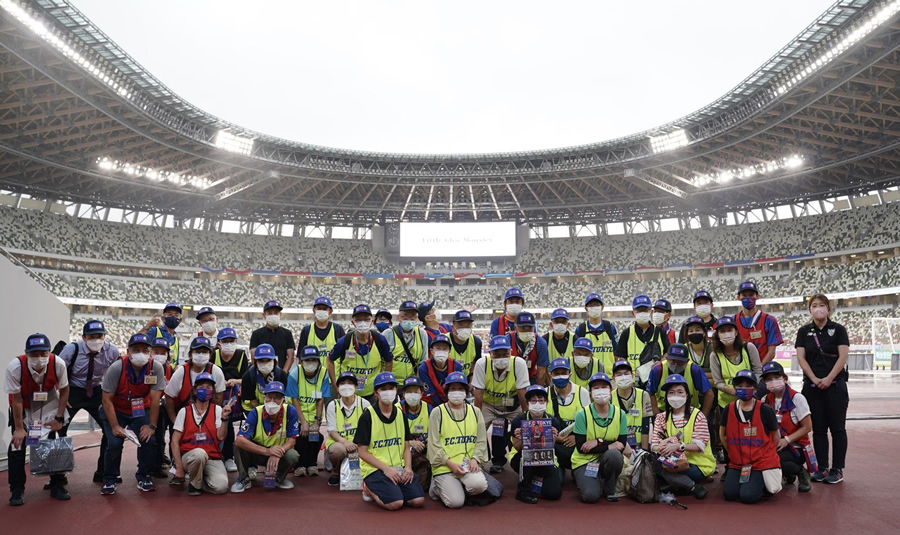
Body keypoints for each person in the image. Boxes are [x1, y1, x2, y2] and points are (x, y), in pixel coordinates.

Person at [6, 334, 71, 505]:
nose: (39, 358)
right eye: (34, 354)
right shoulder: (15, 367)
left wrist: (58, 418)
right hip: (25, 408)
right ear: (26, 354)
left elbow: (64, 391)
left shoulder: (58, 364)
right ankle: (17, 489)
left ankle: (57, 484)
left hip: (49, 404)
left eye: (43, 354)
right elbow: (17, 400)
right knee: (16, 447)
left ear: (49, 352)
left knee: (55, 444)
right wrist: (19, 428)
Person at [99, 333, 167, 495]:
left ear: (150, 352)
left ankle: (144, 475)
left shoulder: (155, 367)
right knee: (114, 443)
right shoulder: (117, 367)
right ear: (128, 351)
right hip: (116, 410)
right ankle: (110, 478)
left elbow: (155, 398)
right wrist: (115, 426)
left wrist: (151, 426)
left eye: (145, 350)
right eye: (136, 350)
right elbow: (106, 399)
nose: (140, 353)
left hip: (140, 410)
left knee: (149, 440)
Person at [795, 293, 850, 484]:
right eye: (814, 305)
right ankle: (822, 468)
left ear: (828, 308)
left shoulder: (838, 329)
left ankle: (837, 469)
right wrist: (814, 378)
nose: (818, 308)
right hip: (812, 386)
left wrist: (829, 378)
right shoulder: (803, 331)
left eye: (822, 305)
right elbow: (801, 358)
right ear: (809, 309)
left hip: (835, 386)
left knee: (837, 429)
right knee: (818, 429)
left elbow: (843, 357)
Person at [57, 319, 119, 483]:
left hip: (97, 391)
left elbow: (117, 373)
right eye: (92, 336)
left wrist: (111, 397)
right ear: (84, 337)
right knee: (59, 430)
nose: (96, 340)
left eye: (100, 336)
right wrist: (61, 398)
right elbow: (57, 373)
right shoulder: (71, 349)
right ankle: (58, 475)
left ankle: (104, 471)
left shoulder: (111, 351)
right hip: (72, 390)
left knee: (110, 428)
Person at [355, 372, 425, 510]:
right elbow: (362, 452)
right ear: (376, 393)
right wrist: (386, 469)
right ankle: (368, 487)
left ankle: (394, 488)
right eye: (383, 389)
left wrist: (408, 467)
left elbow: (406, 447)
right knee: (395, 503)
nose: (388, 392)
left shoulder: (400, 414)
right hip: (375, 468)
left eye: (391, 388)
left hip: (398, 467)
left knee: (418, 500)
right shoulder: (367, 416)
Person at [427, 372, 492, 509]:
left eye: (460, 389)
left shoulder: (475, 412)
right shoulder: (437, 412)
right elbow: (433, 444)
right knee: (456, 503)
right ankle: (437, 486)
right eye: (453, 389)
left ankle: (458, 485)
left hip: (467, 464)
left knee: (479, 486)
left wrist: (475, 459)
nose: (457, 392)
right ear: (447, 391)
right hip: (445, 465)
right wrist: (449, 463)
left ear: (466, 391)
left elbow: (481, 440)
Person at [720, 370, 781, 504]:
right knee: (729, 494)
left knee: (748, 497)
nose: (744, 389)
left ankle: (764, 483)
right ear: (735, 388)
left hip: (760, 462)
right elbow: (722, 434)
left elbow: (776, 436)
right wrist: (732, 452)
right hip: (737, 463)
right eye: (740, 386)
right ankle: (750, 482)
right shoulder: (728, 409)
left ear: (755, 388)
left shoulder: (765, 409)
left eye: (748, 386)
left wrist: (766, 452)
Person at [471, 335, 529, 474]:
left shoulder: (518, 363)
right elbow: (478, 394)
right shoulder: (482, 364)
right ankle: (480, 459)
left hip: (513, 406)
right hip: (488, 405)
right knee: (476, 429)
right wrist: (476, 418)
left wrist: (526, 417)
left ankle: (525, 458)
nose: (501, 357)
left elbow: (522, 393)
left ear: (511, 352)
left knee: (525, 428)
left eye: (505, 354)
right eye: (497, 354)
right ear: (490, 353)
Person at [651, 374, 715, 499]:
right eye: (671, 392)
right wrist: (660, 447)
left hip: (696, 466)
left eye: (680, 392)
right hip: (671, 462)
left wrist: (678, 446)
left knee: (664, 471)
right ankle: (691, 486)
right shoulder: (661, 417)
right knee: (652, 462)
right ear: (666, 396)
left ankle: (679, 484)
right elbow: (654, 445)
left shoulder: (698, 415)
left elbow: (699, 446)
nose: (675, 396)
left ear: (687, 395)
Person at [231, 381, 300, 492]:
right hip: (258, 453)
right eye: (269, 397)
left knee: (293, 455)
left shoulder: (290, 411)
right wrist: (267, 451)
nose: (272, 401)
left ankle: (279, 478)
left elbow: (292, 441)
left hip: (278, 453)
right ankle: (243, 478)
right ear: (264, 397)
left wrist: (278, 452)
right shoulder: (255, 413)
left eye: (277, 397)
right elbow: (239, 440)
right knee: (238, 446)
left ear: (283, 400)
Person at [570, 373, 628, 504]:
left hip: (607, 458)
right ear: (590, 392)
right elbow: (581, 448)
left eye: (604, 387)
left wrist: (598, 442)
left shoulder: (620, 414)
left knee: (614, 455)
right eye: (596, 388)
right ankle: (583, 477)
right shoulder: (582, 414)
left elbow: (621, 444)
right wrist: (607, 444)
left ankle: (609, 487)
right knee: (590, 497)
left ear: (611, 390)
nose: (600, 391)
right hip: (584, 461)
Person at [171, 372, 231, 495]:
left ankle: (199, 479)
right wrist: (179, 468)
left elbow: (221, 437)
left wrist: (224, 419)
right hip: (190, 456)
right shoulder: (184, 412)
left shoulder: (217, 410)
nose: (205, 390)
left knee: (221, 487)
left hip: (212, 457)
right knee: (199, 454)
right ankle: (194, 485)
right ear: (194, 390)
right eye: (201, 387)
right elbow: (174, 442)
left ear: (213, 390)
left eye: (209, 387)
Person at [760, 362, 813, 492]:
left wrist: (787, 440)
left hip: (795, 446)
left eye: (777, 377)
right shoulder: (764, 400)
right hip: (775, 444)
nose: (773, 382)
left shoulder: (797, 398)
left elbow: (807, 427)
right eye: (769, 379)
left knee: (776, 460)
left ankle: (801, 471)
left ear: (785, 378)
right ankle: (786, 473)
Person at [327, 304, 393, 402]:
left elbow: (389, 360)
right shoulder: (345, 341)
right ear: (353, 322)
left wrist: (383, 384)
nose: (363, 323)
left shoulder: (380, 340)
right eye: (358, 319)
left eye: (366, 319)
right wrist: (335, 384)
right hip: (349, 394)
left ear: (371, 321)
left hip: (372, 395)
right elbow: (329, 359)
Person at [510, 385, 564, 504]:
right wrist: (523, 438)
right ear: (528, 403)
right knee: (529, 454)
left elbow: (551, 448)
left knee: (554, 493)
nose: (537, 403)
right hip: (521, 457)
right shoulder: (519, 420)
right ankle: (522, 490)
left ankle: (535, 479)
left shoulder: (553, 421)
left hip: (545, 458)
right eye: (533, 400)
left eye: (541, 400)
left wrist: (553, 438)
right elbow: (516, 447)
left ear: (546, 402)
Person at [680, 315, 720, 461]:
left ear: (704, 332)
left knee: (709, 423)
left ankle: (712, 454)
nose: (693, 332)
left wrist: (696, 373)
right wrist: (707, 375)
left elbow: (718, 376)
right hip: (689, 395)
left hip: (711, 394)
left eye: (697, 329)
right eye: (690, 330)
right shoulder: (683, 349)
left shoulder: (713, 347)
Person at [287, 345, 331, 477]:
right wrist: (303, 422)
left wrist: (317, 421)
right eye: (307, 360)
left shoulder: (323, 373)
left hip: (313, 415)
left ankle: (312, 464)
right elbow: (294, 400)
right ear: (301, 361)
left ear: (318, 361)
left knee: (316, 437)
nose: (310, 363)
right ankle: (299, 465)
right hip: (296, 415)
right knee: (300, 436)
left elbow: (320, 399)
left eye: (314, 360)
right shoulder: (295, 373)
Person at [165, 337, 226, 427]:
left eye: (204, 352)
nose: (201, 355)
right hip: (183, 418)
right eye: (197, 351)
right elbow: (169, 397)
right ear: (190, 355)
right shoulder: (181, 372)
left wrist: (213, 420)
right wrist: (175, 421)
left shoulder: (216, 371)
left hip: (207, 418)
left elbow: (218, 397)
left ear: (210, 355)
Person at [325, 372, 371, 487]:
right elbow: (332, 431)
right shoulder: (332, 405)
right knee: (337, 451)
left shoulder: (364, 404)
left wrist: (357, 444)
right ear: (338, 387)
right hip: (340, 442)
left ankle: (365, 473)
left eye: (350, 383)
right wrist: (345, 442)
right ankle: (335, 473)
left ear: (356, 387)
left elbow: (370, 429)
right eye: (342, 383)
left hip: (359, 443)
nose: (346, 386)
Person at [545, 358, 590, 475]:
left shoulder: (582, 392)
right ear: (550, 375)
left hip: (577, 444)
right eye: (556, 373)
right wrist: (555, 438)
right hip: (554, 445)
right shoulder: (545, 394)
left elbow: (589, 421)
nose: (560, 376)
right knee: (556, 483)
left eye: (564, 373)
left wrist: (577, 438)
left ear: (570, 373)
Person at [614, 294, 670, 383]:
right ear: (633, 313)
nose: (642, 313)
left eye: (645, 310)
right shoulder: (627, 333)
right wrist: (627, 377)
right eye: (639, 310)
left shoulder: (660, 331)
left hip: (657, 380)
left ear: (651, 312)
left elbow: (668, 352)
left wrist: (661, 363)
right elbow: (621, 357)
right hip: (633, 382)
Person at [712, 316, 763, 415]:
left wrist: (750, 390)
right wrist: (734, 392)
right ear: (717, 335)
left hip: (750, 400)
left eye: (730, 330)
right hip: (726, 404)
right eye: (722, 331)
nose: (726, 334)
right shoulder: (715, 355)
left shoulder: (748, 348)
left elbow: (758, 371)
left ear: (736, 332)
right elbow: (718, 382)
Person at [646, 343, 714, 416]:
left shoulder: (694, 370)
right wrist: (657, 416)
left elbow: (709, 394)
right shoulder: (657, 370)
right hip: (664, 411)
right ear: (667, 358)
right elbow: (650, 394)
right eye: (672, 361)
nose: (675, 365)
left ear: (687, 361)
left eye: (680, 362)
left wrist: (702, 417)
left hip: (690, 412)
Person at [214, 327, 246, 472]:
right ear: (219, 343)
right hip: (215, 395)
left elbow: (246, 379)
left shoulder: (241, 355)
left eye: (231, 341)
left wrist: (235, 381)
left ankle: (229, 457)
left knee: (229, 425)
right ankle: (215, 455)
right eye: (225, 341)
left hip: (233, 397)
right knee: (216, 424)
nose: (228, 344)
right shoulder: (213, 355)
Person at [733, 281, 783, 365]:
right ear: (738, 297)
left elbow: (771, 352)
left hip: (762, 370)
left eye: (751, 295)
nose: (748, 298)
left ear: (757, 296)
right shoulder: (733, 321)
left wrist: (759, 370)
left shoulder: (769, 320)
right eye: (744, 295)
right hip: (740, 370)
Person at [610, 360, 652, 451]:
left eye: (626, 373)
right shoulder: (610, 397)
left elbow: (645, 425)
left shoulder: (643, 395)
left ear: (632, 375)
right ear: (613, 378)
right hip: (618, 446)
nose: (623, 377)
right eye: (619, 374)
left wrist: (644, 452)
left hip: (639, 445)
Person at [385, 300, 429, 383]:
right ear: (398, 318)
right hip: (392, 383)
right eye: (405, 316)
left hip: (412, 383)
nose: (409, 320)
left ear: (416, 319)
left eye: (412, 317)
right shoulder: (388, 334)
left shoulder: (422, 334)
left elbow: (423, 361)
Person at [400, 376, 431, 490]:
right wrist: (411, 443)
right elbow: (393, 434)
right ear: (403, 394)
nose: (412, 394)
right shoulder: (397, 408)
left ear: (421, 393)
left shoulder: (429, 408)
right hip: (403, 446)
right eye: (409, 392)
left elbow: (434, 431)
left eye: (415, 391)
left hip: (424, 447)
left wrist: (428, 441)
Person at [574, 293, 619, 372]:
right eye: (591, 305)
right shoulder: (581, 330)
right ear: (586, 309)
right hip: (588, 377)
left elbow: (617, 353)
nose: (594, 307)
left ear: (602, 307)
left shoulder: (610, 328)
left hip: (609, 377)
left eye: (596, 304)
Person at [240, 343, 290, 412]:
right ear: (255, 361)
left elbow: (281, 399)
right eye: (261, 361)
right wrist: (263, 414)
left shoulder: (281, 375)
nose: (265, 363)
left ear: (274, 360)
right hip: (253, 408)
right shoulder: (248, 376)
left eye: (268, 360)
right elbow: (253, 402)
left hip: (276, 407)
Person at [249, 300, 296, 372]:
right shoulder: (256, 334)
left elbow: (291, 357)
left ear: (280, 314)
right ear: (264, 315)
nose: (273, 315)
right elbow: (254, 357)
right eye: (269, 313)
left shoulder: (287, 333)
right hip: (262, 373)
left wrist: (283, 373)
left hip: (282, 373)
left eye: (276, 313)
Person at [298, 296, 346, 366]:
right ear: (314, 310)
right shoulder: (306, 331)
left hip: (333, 376)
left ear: (330, 311)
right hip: (313, 375)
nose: (322, 311)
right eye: (319, 308)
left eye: (324, 309)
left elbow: (344, 356)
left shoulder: (338, 330)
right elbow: (300, 357)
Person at [418, 334, 463, 406]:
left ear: (449, 351)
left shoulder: (456, 366)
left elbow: (458, 387)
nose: (441, 351)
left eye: (445, 349)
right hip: (431, 402)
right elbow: (430, 392)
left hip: (452, 400)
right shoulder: (424, 368)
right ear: (432, 351)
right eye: (438, 348)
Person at [509, 311, 549, 386]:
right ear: (515, 327)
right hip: (510, 378)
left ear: (534, 327)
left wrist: (537, 392)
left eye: (529, 328)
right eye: (523, 328)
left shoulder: (540, 343)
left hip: (530, 378)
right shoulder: (508, 341)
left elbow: (541, 373)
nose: (526, 331)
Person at [141, 301, 183, 366]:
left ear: (180, 320)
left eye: (176, 315)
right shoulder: (154, 331)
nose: (173, 317)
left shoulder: (176, 340)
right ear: (163, 318)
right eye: (169, 314)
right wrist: (148, 326)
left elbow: (175, 364)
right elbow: (135, 340)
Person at [448, 310, 481, 380]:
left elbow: (475, 362)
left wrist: (471, 377)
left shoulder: (476, 342)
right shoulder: (445, 341)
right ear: (453, 327)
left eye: (468, 325)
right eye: (460, 325)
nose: (464, 328)